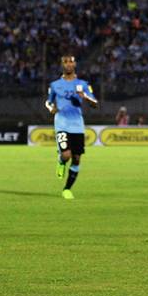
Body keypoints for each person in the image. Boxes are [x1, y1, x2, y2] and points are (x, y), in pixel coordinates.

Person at [45, 54, 98, 200]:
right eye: (65, 62)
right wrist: (51, 109)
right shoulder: (55, 85)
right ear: (62, 65)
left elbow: (95, 103)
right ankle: (61, 161)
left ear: (75, 65)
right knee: (66, 155)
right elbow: (48, 102)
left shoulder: (83, 84)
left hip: (77, 125)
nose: (68, 64)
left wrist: (85, 97)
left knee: (76, 159)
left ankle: (67, 189)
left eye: (71, 62)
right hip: (62, 123)